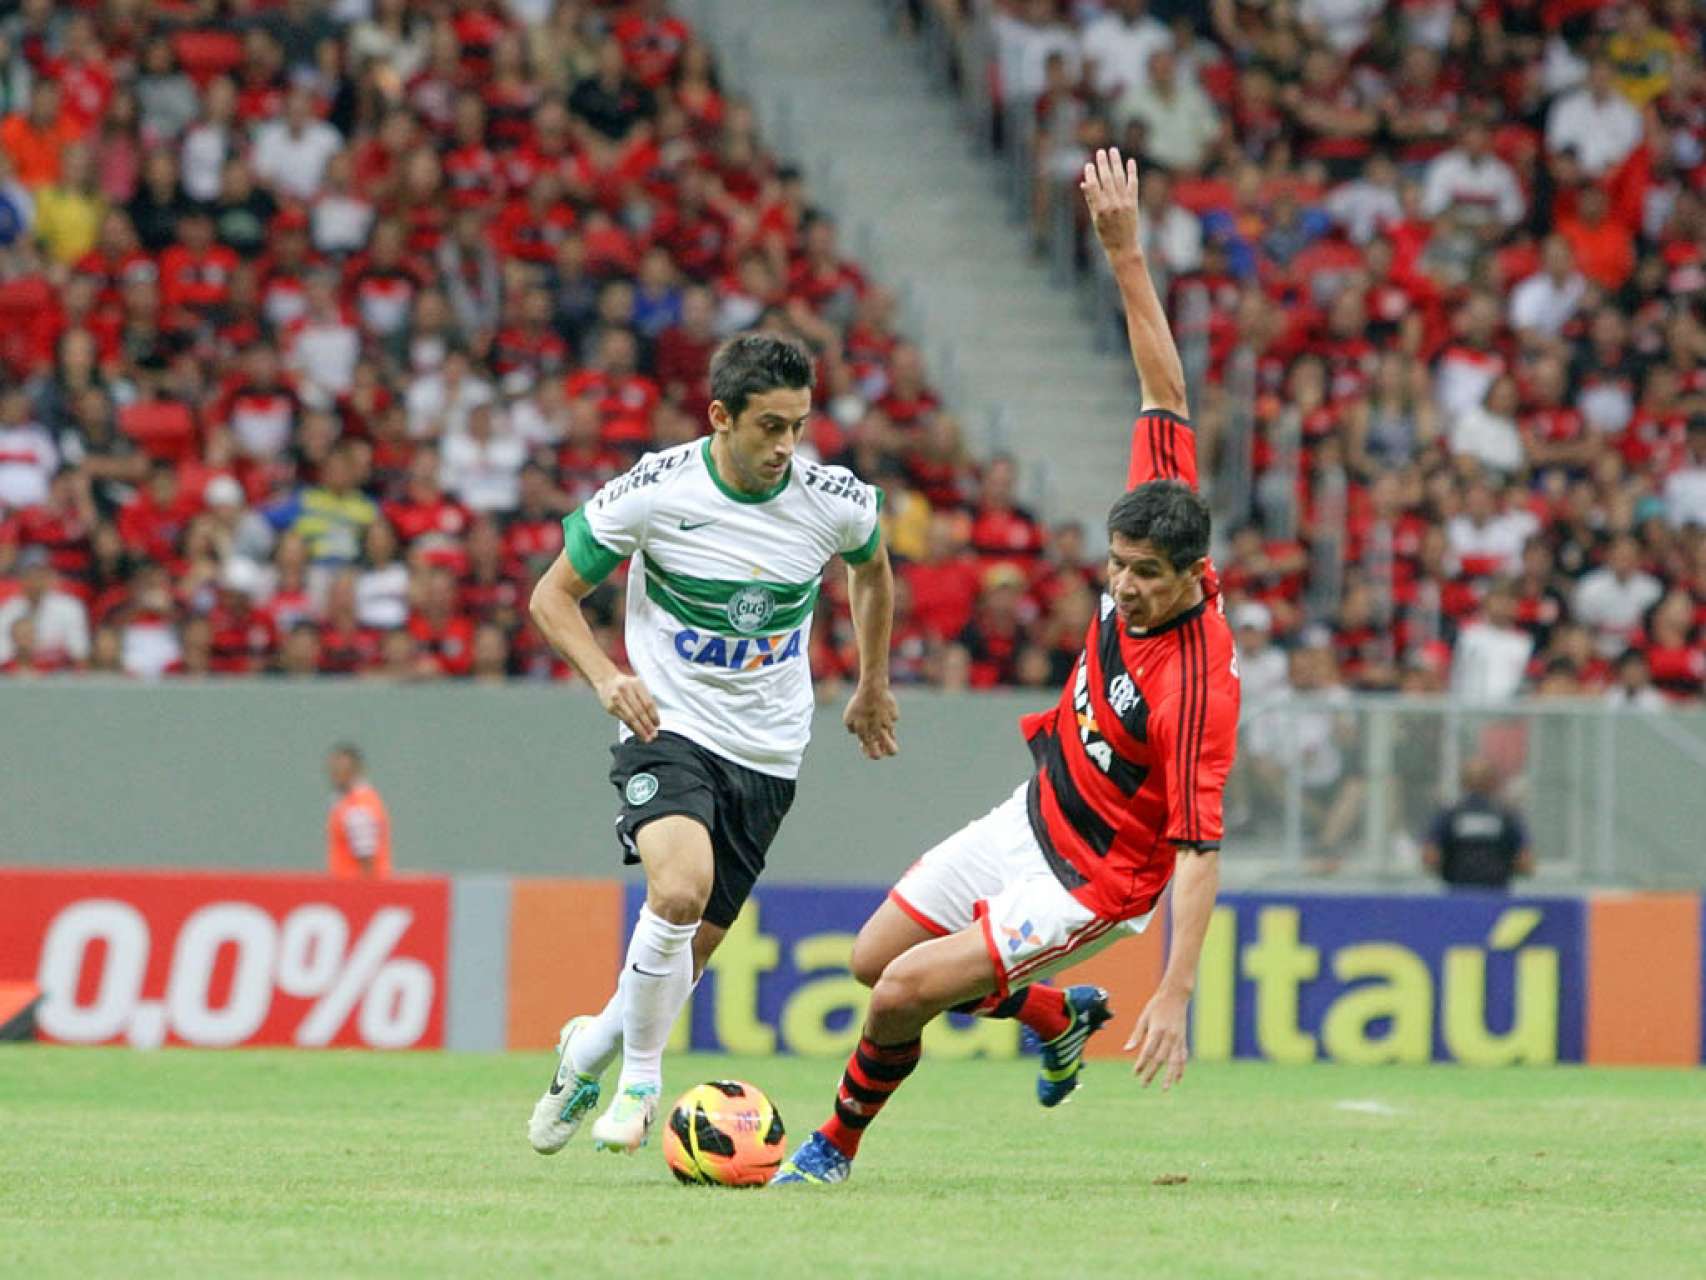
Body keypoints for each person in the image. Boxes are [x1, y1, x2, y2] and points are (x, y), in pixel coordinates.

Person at [773, 149, 1239, 1186]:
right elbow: (1162, 381)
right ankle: (1053, 1013)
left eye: (1145, 577)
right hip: (1032, 814)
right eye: (1114, 566)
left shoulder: (1198, 682)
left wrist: (1172, 987)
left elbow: (1200, 852)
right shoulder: (1158, 509)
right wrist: (1122, 253)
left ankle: (828, 1151)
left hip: (1093, 879)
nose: (1121, 588)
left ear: (1192, 573)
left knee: (897, 992)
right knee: (867, 957)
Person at [524, 332, 898, 1157]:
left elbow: (872, 570)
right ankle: (640, 1084)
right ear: (720, 417)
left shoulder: (832, 498)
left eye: (799, 425)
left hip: (767, 751)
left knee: (686, 952)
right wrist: (606, 677)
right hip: (668, 726)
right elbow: (551, 597)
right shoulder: (655, 491)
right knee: (681, 888)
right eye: (770, 427)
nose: (787, 447)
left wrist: (872, 682)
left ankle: (586, 1049)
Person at [1422, 758, 1533, 890]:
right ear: (1493, 783)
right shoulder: (1508, 816)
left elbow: (1430, 858)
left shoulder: (1449, 815)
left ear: (1463, 782)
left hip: (1456, 898)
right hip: (1497, 900)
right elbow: (1526, 863)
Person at [324, 743, 392, 880]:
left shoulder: (358, 807)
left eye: (342, 770)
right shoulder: (346, 803)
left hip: (353, 889)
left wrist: (365, 895)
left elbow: (367, 859)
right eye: (334, 770)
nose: (336, 775)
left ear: (355, 770)